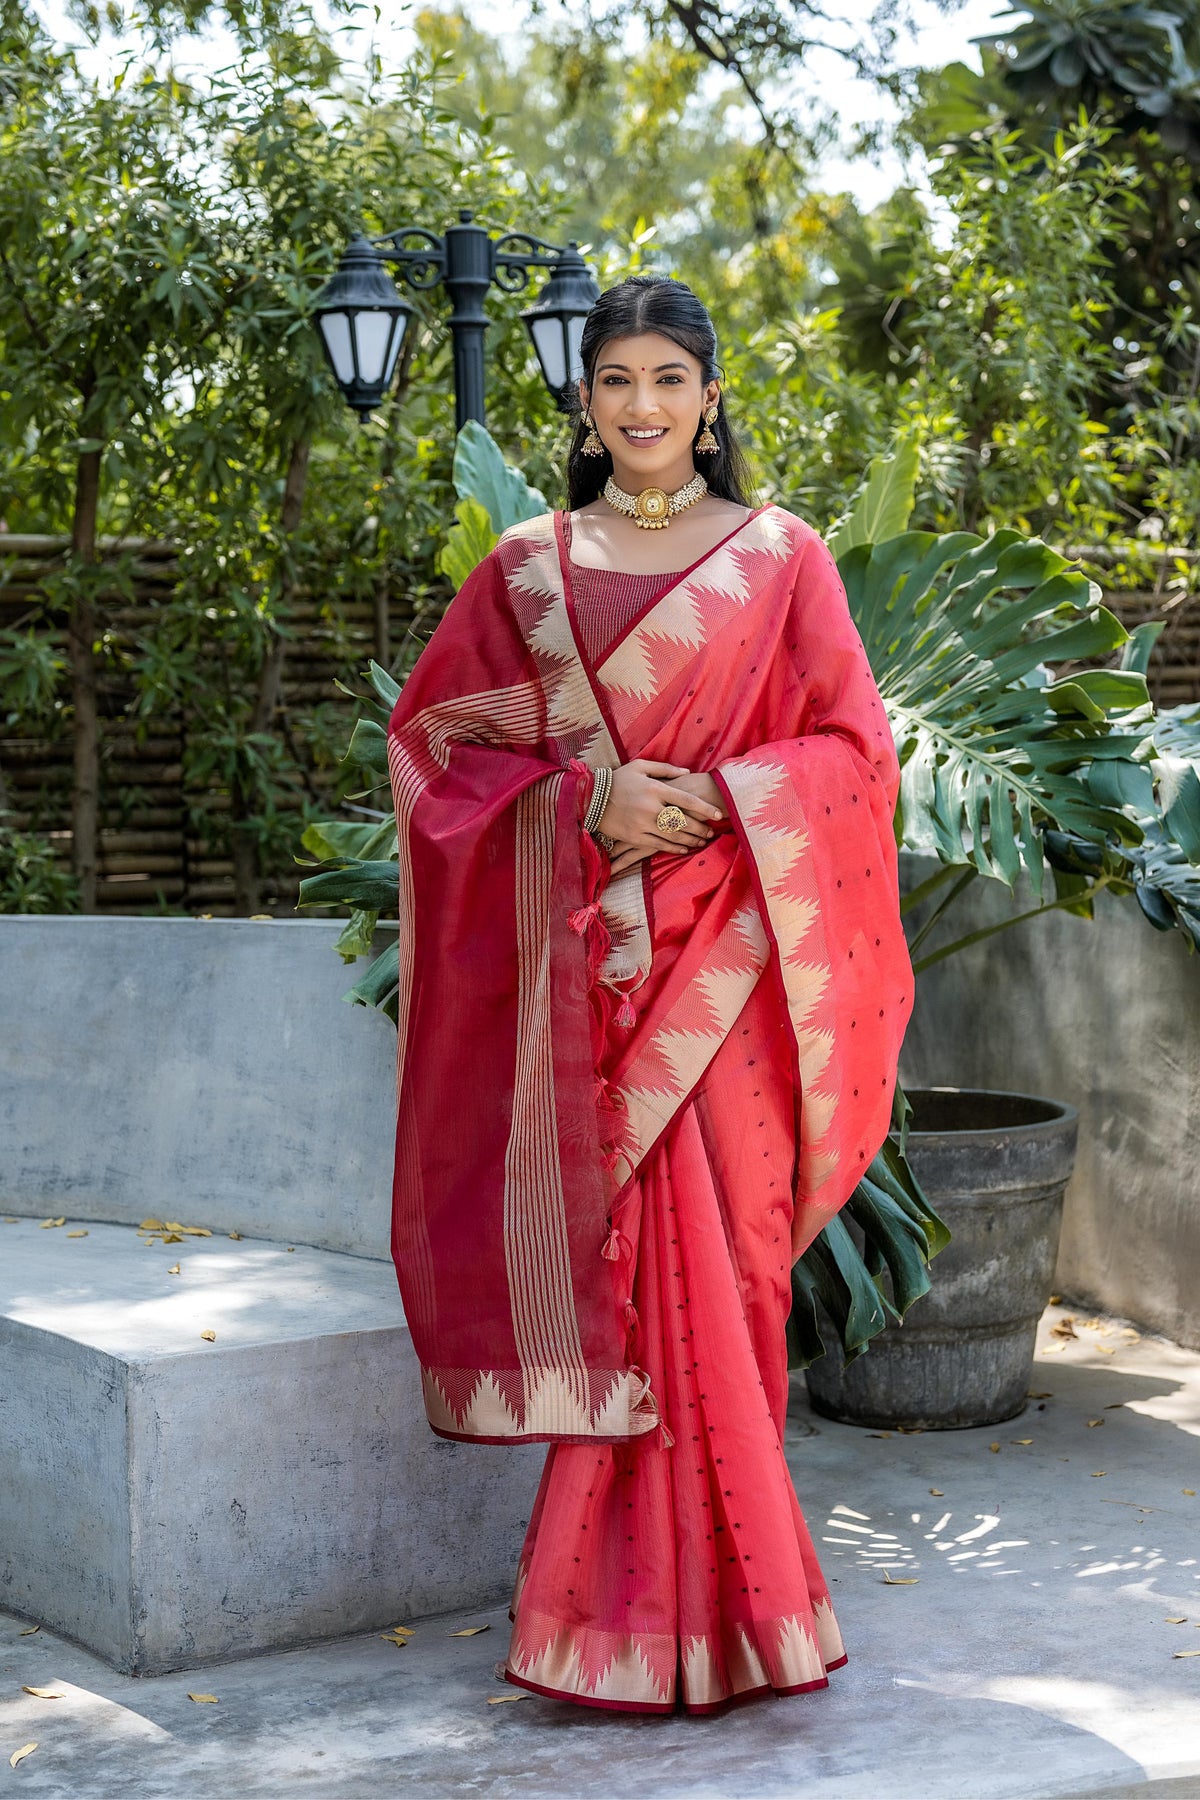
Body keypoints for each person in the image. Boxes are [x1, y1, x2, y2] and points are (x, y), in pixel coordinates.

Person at [385, 273, 913, 1714]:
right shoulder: (528, 567)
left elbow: (856, 757)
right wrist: (587, 799)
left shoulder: (785, 557)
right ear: (585, 400)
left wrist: (736, 796)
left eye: (668, 379)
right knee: (616, 1283)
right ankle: (599, 1620)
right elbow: (437, 751)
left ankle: (744, 1617)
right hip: (590, 986)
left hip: (729, 978)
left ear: (711, 398)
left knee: (724, 1282)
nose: (642, 408)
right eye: (615, 379)